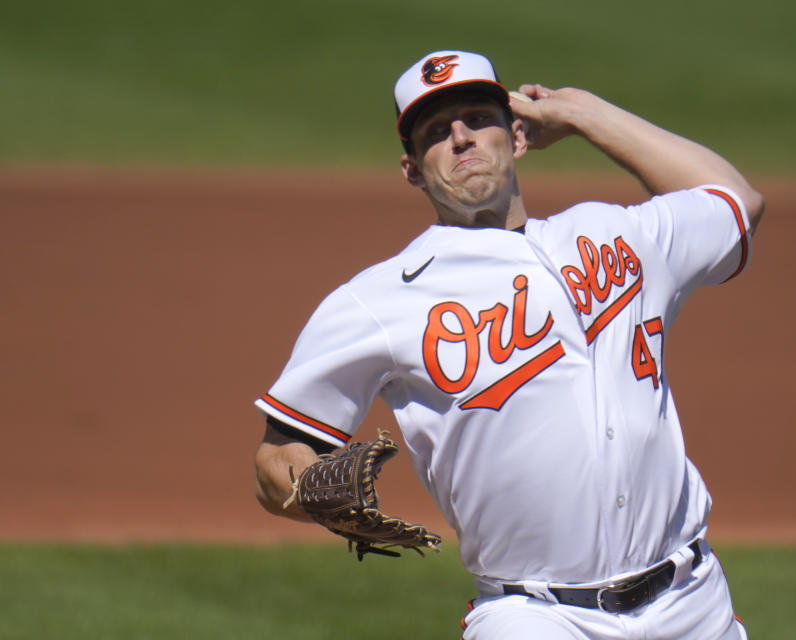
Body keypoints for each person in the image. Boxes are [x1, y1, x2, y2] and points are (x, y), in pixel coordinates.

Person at [253, 50, 764, 639]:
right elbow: (276, 457)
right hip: (532, 616)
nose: (462, 138)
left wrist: (581, 113)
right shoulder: (377, 300)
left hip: (690, 600)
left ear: (517, 136)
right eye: (436, 134)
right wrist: (315, 490)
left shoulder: (616, 233)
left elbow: (735, 201)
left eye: (478, 117)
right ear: (413, 170)